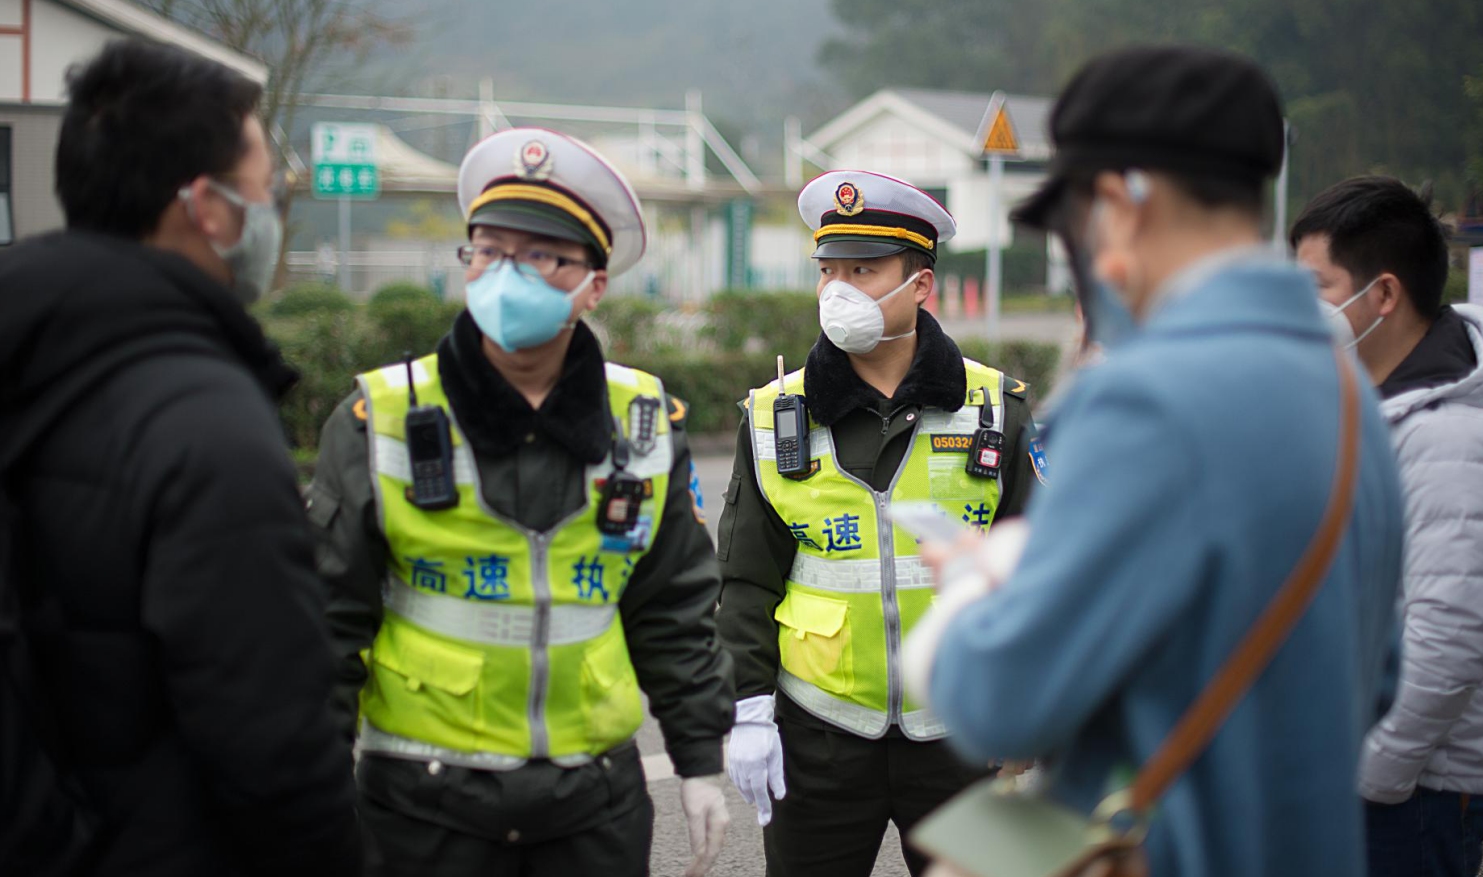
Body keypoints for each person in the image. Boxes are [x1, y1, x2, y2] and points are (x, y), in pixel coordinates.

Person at [909, 46, 1405, 877]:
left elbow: (997, 704)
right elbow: (1376, 676)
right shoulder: (1350, 395)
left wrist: (977, 582)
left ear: (1118, 202)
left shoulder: (1144, 398)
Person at [308, 128, 733, 877]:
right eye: (488, 249)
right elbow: (328, 622)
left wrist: (698, 759)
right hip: (419, 806)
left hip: (593, 807)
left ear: (593, 285)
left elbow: (671, 608)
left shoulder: (642, 421)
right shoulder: (381, 419)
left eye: (541, 256)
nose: (508, 273)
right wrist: (305, 787)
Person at [0, 40, 362, 875]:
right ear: (207, 207)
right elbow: (273, 744)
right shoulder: (206, 423)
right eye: (266, 188)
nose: (270, 209)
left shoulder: (31, 347)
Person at [714, 170, 1042, 877]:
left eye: (862, 270)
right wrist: (746, 705)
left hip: (965, 734)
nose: (837, 290)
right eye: (828, 270)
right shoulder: (774, 416)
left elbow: (1040, 568)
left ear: (919, 285)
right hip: (820, 736)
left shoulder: (995, 409)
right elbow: (745, 579)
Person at [1292, 176, 1483, 877]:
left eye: (1315, 287)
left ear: (1382, 296)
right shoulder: (1363, 406)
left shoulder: (1445, 438)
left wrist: (1368, 776)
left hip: (1412, 794)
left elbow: (1449, 636)